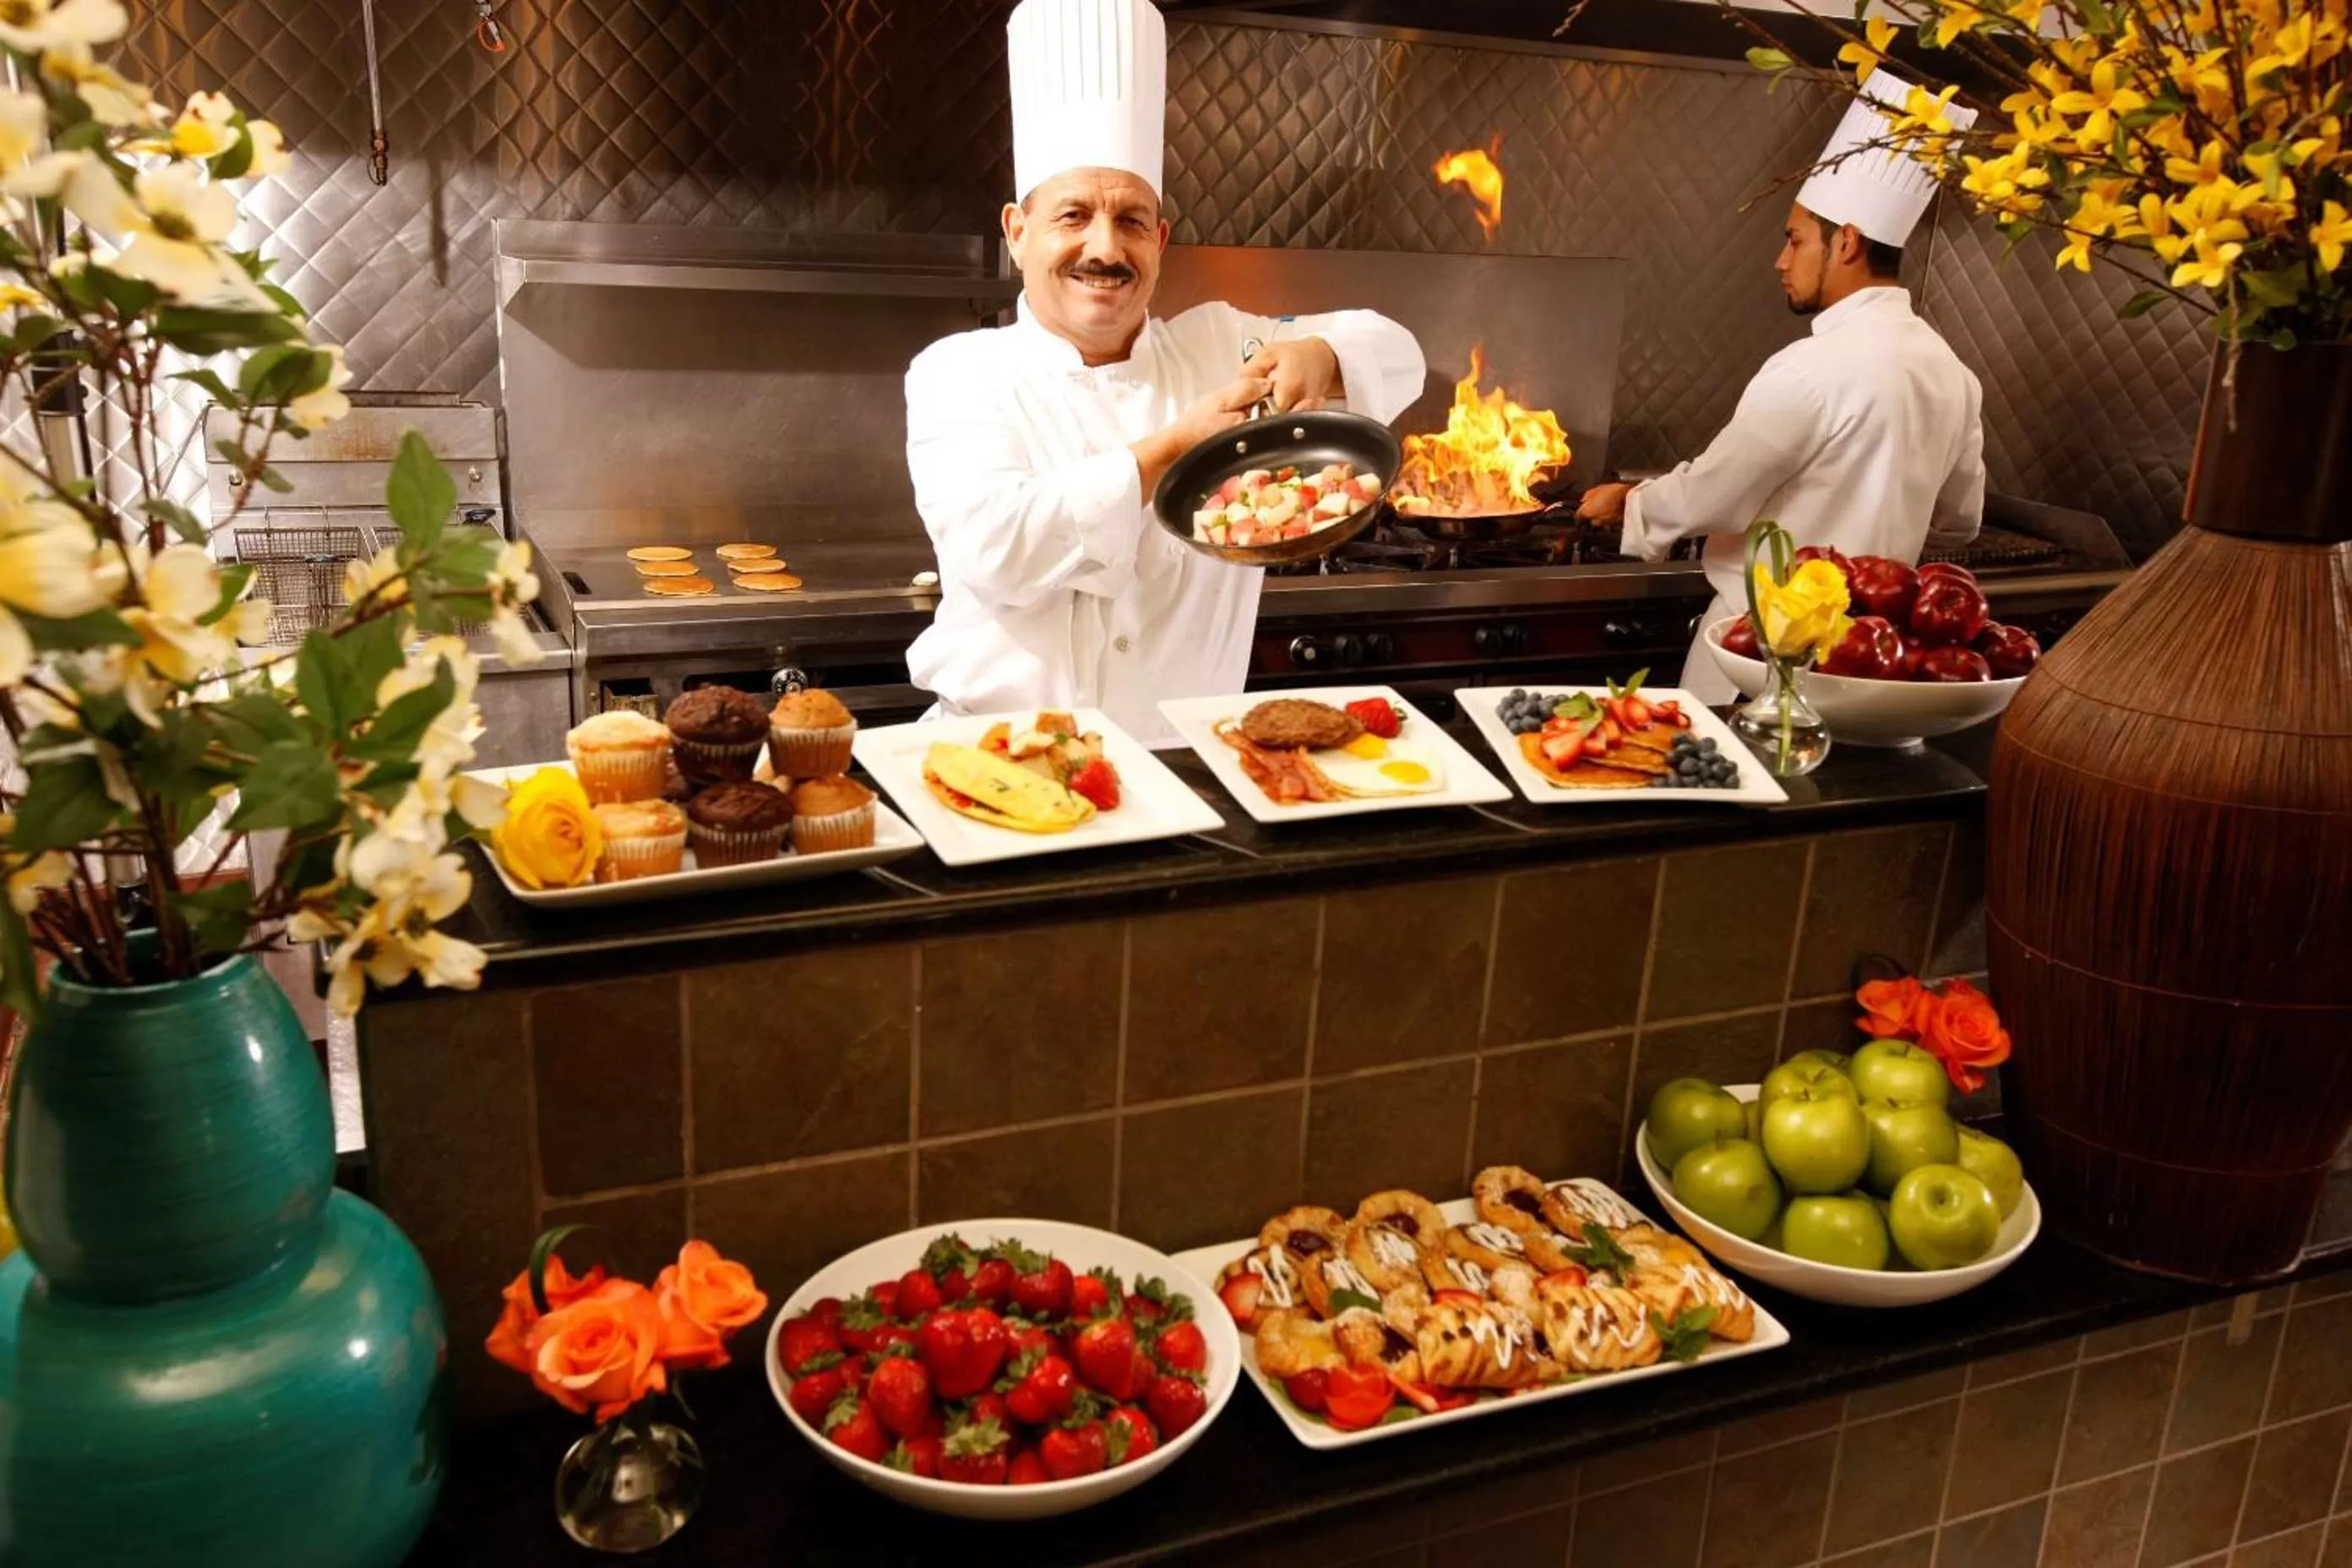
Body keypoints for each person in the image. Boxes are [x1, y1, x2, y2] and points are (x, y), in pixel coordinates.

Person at [903, 0, 1424, 744]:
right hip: (999, 759)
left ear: (1162, 238)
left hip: (1189, 765)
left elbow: (1396, 346)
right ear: (1018, 233)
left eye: (1132, 221)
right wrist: (1178, 449)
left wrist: (1324, 354)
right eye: (1073, 216)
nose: (1105, 249)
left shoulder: (1217, 341)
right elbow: (1002, 548)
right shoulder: (958, 373)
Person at [1577, 74, 1988, 702]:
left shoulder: (1810, 368)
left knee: (1735, 788)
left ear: (1845, 242)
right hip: (1872, 663)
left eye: (1795, 240)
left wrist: (1630, 503)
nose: (1781, 260)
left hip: (1760, 654)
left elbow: (1717, 496)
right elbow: (1960, 521)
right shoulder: (1951, 372)